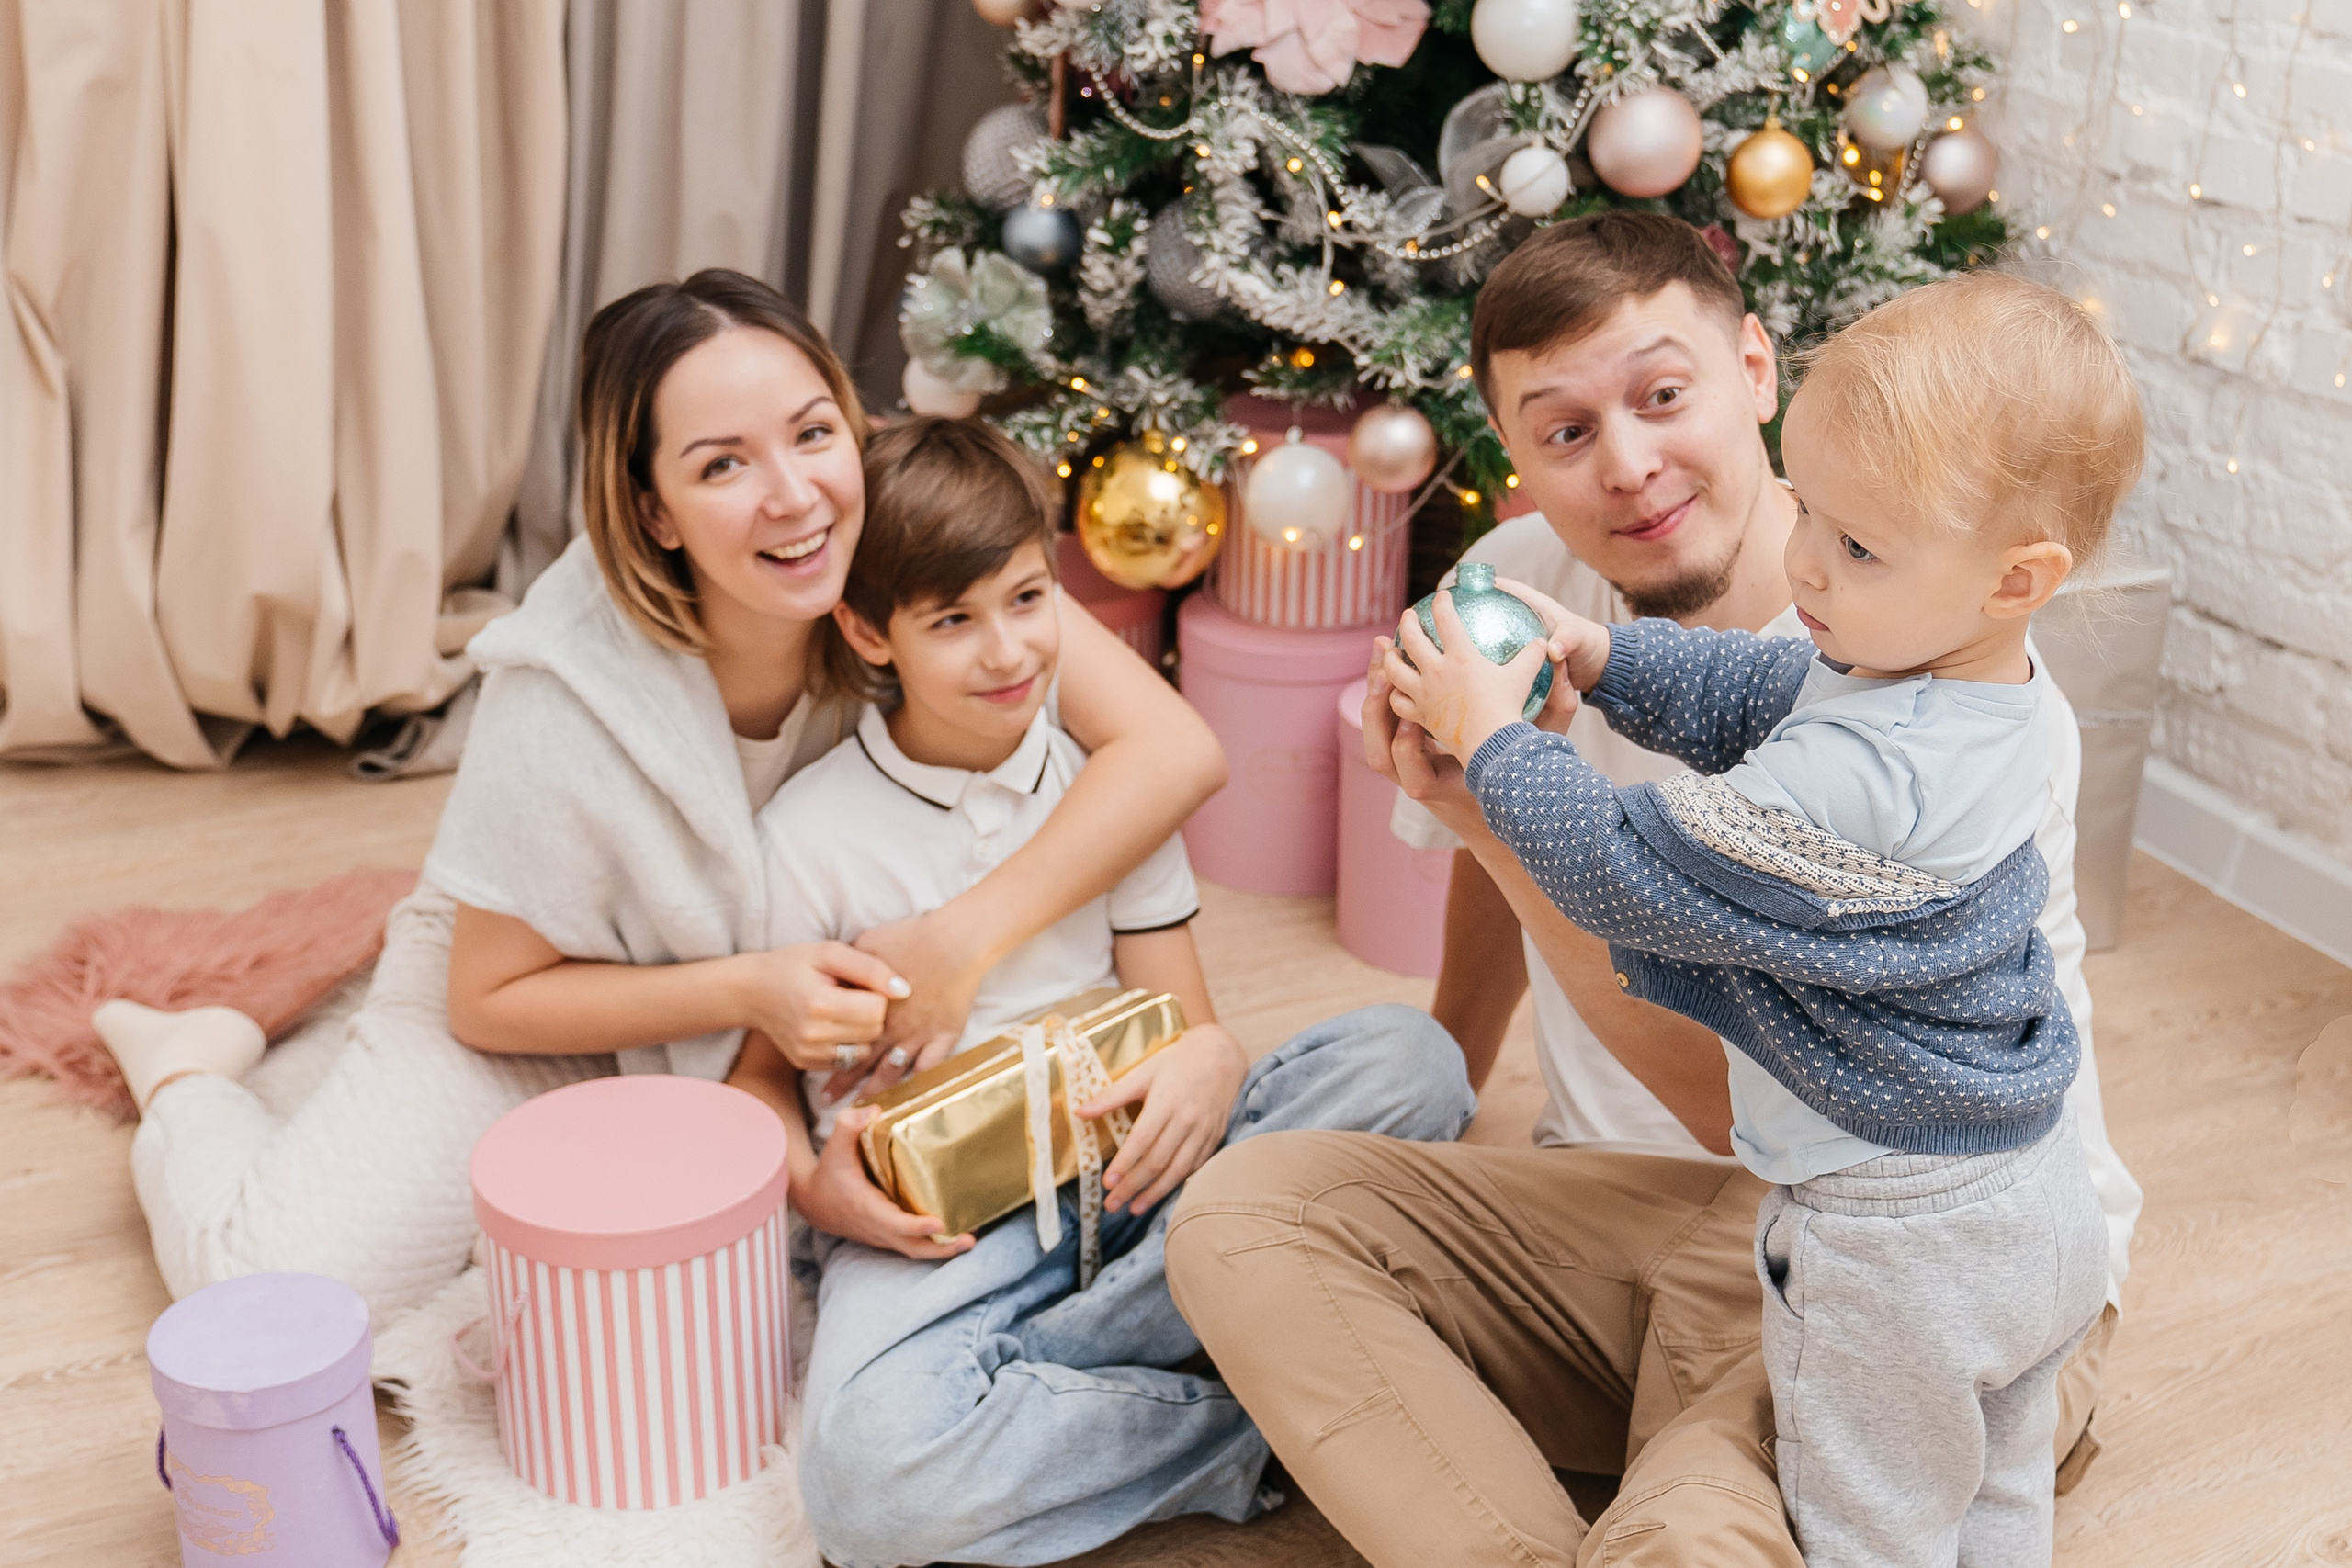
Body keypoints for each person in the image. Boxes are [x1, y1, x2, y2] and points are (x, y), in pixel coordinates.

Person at [1165, 214, 2143, 1566]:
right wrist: (1453, 1043)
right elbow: (1739, 686)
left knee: (1719, 1536)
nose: (1625, 466)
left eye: (1662, 395)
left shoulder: (1905, 756)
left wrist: (1498, 778)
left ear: (1755, 368)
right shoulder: (1782, 616)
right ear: (1511, 449)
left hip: (1900, 1241)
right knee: (1243, 1212)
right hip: (1689, 1214)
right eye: (1563, 431)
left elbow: (1675, 972)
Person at [96, 269, 1231, 1324]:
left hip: (766, 1019)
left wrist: (957, 944)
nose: (793, 497)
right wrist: (751, 989)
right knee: (276, 1289)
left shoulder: (888, 532)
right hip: (553, 993)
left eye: (812, 434)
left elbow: (1170, 751)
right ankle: (191, 1064)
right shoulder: (563, 690)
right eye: (720, 465)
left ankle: (328, 1085)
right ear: (653, 509)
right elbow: (490, 998)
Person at [725, 415, 1473, 1568]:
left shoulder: (1105, 789)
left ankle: (1070, 1371)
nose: (1007, 653)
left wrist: (1210, 1060)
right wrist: (821, 1199)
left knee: (1410, 1064)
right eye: (953, 623)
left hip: (1142, 1178)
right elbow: (757, 1089)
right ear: (870, 633)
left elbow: (1186, 1023)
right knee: (868, 1488)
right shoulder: (806, 839)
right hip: (938, 1236)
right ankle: (1264, 1420)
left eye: (1027, 601)